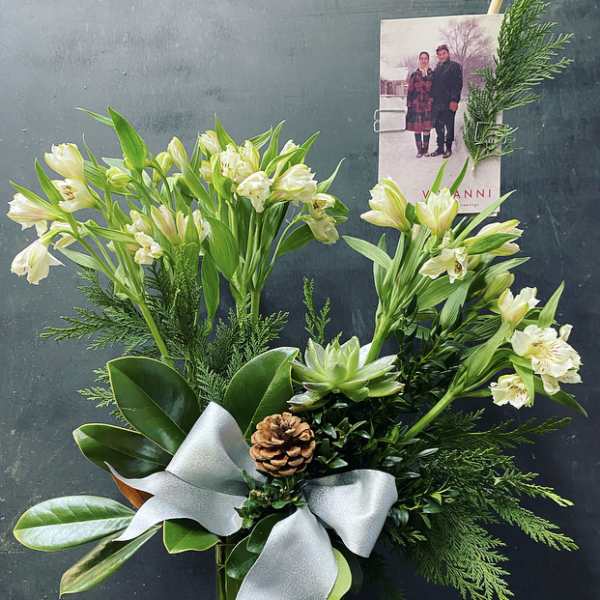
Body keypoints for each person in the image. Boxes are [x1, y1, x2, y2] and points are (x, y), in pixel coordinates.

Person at [428, 44, 463, 158]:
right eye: (439, 54)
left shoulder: (454, 66)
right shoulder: (437, 68)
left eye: (444, 53)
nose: (442, 56)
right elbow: (434, 85)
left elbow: (457, 85)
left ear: (448, 53)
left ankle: (448, 148)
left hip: (449, 102)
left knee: (449, 126)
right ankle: (440, 148)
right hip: (437, 103)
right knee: (439, 127)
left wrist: (454, 100)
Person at [405, 51, 433, 158]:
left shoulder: (432, 74)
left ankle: (425, 150)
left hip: (428, 105)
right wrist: (409, 105)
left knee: (426, 128)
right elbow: (410, 91)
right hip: (416, 105)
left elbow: (435, 90)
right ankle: (419, 150)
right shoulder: (414, 75)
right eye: (421, 58)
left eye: (425, 58)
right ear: (419, 60)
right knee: (417, 128)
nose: (423, 60)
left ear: (428, 60)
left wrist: (432, 101)